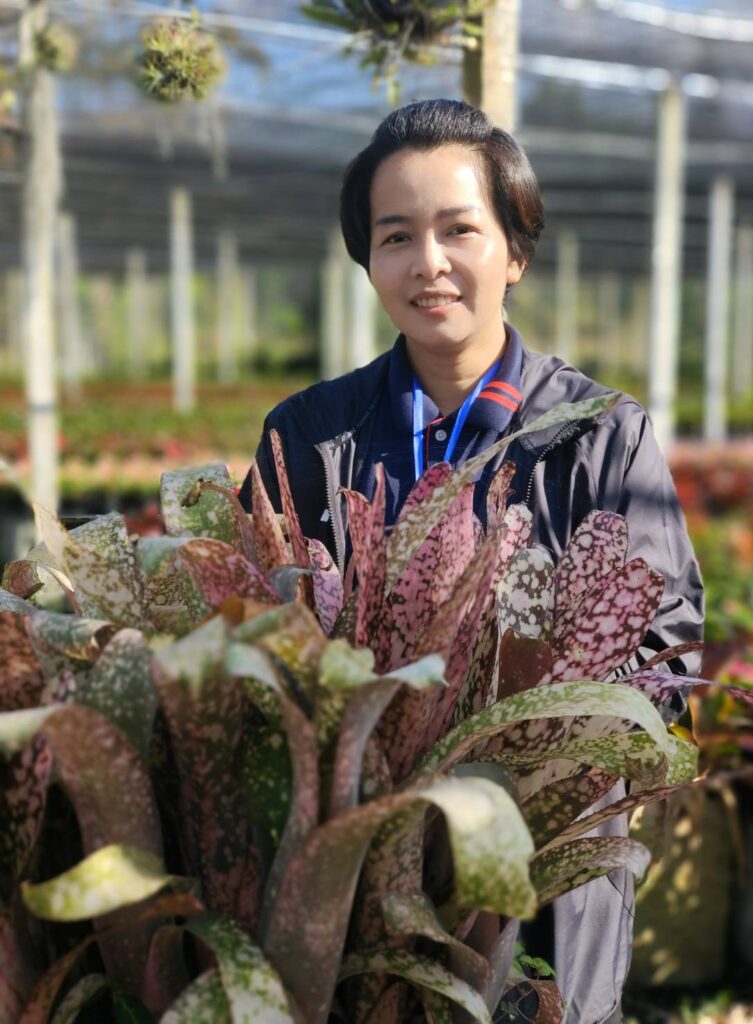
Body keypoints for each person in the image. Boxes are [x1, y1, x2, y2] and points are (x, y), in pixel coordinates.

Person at [238, 98, 704, 1023]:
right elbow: (260, 622)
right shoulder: (312, 436)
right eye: (396, 237)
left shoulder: (601, 435)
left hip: (539, 880)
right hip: (360, 875)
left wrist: (524, 745)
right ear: (369, 260)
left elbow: (663, 653)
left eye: (459, 230)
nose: (429, 262)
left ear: (514, 252)